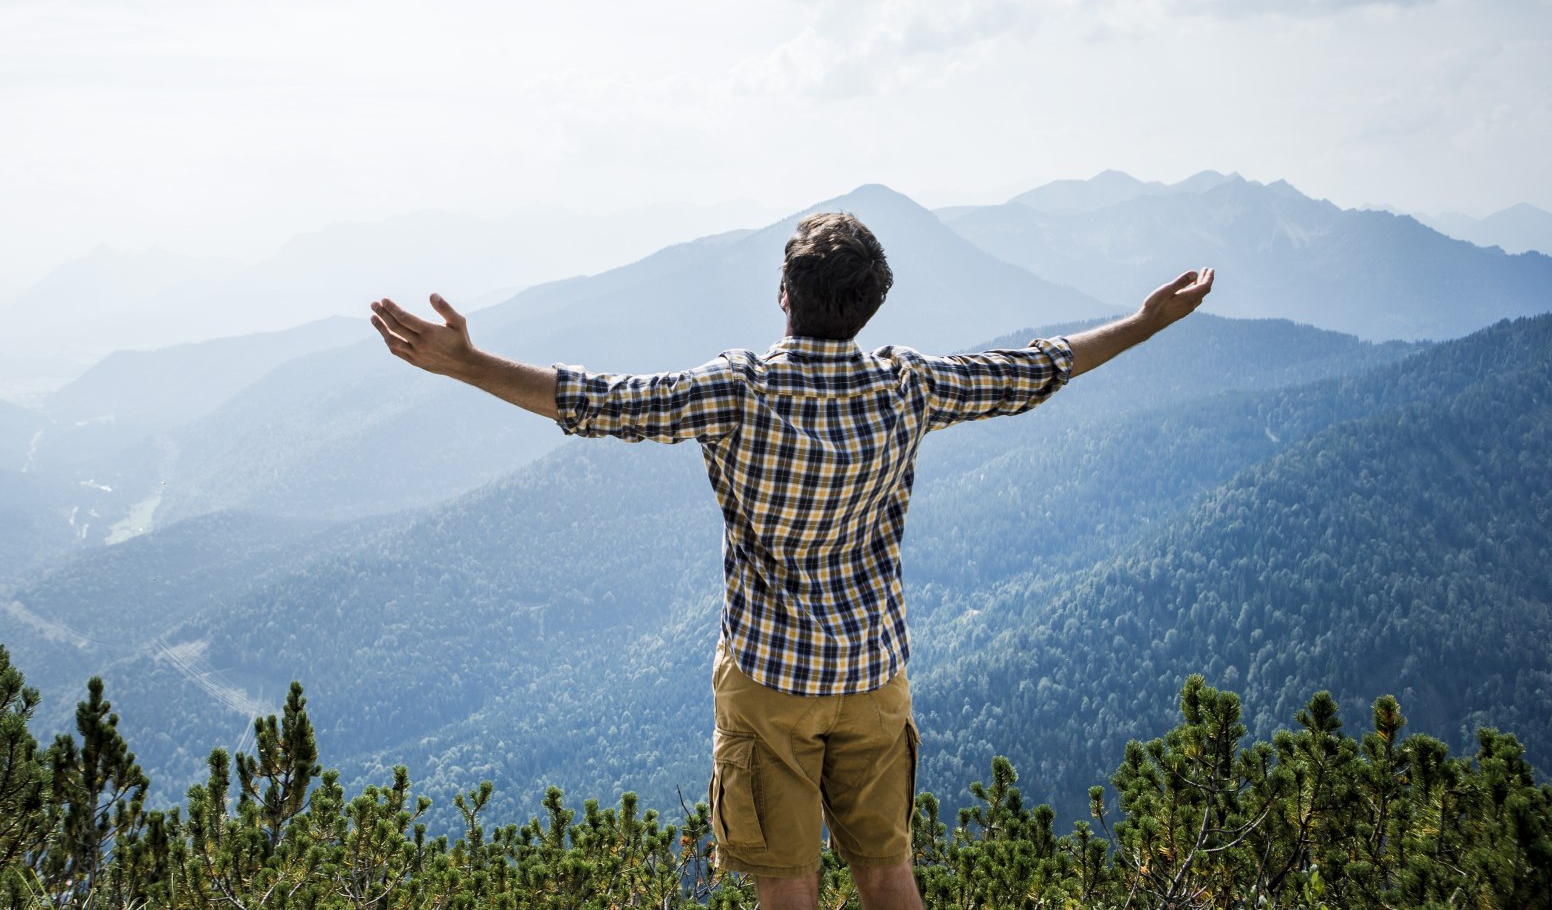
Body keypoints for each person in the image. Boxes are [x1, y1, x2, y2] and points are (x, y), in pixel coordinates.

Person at [369, 211, 1214, 910]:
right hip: (874, 679)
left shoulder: (738, 392)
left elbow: (598, 401)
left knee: (788, 888)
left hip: (771, 682)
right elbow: (1036, 369)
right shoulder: (908, 387)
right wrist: (1144, 323)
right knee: (889, 876)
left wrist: (468, 363)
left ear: (783, 295)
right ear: (870, 307)